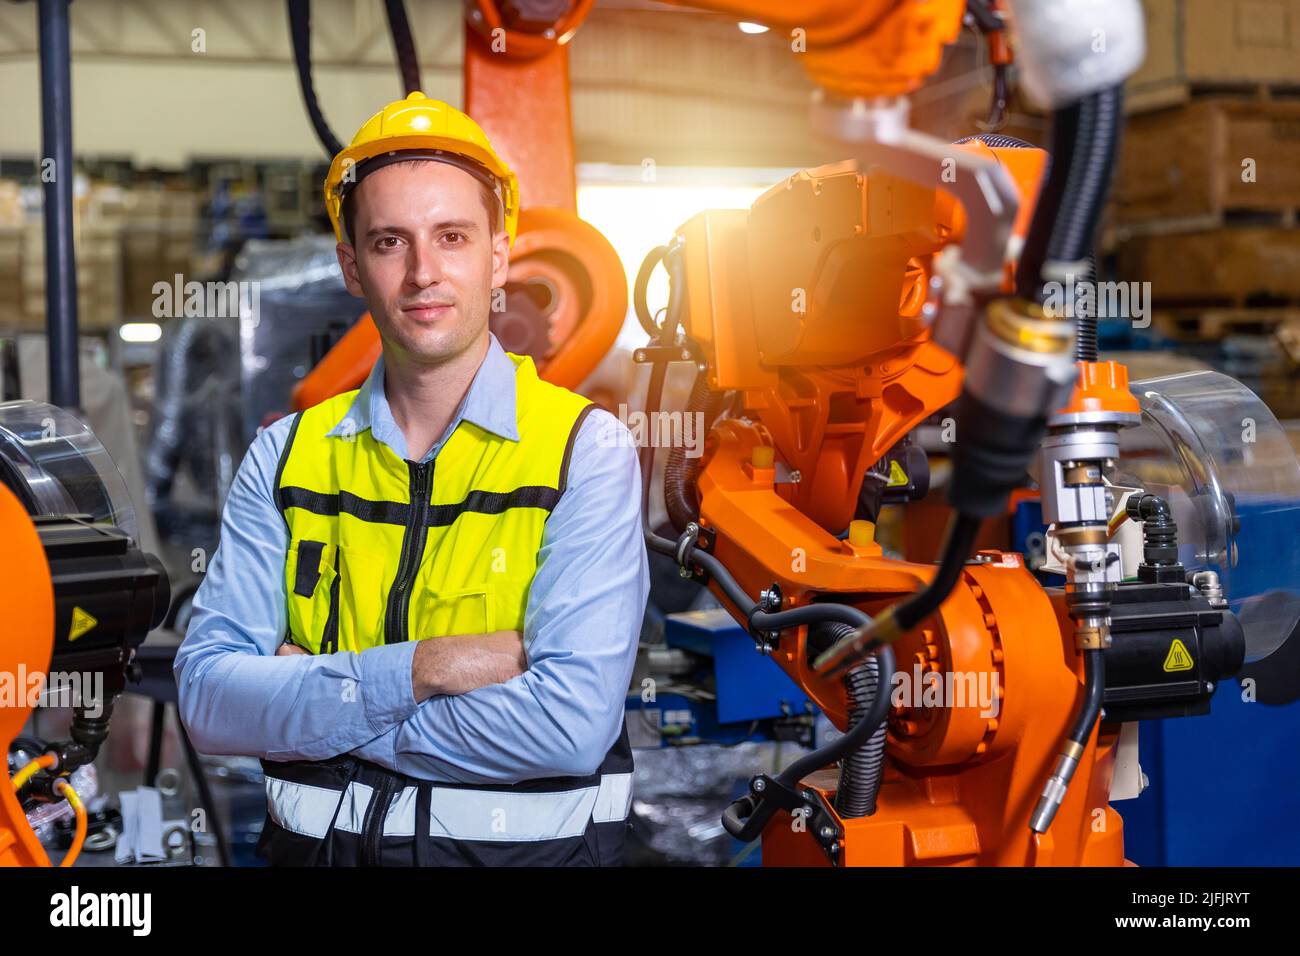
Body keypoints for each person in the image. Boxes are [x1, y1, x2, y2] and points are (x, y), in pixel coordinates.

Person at [174, 92, 648, 866]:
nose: (424, 273)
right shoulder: (287, 457)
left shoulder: (581, 451)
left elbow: (569, 726)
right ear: (352, 267)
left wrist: (317, 710)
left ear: (499, 255)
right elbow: (209, 702)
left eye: (452, 237)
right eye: (390, 242)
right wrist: (425, 668)